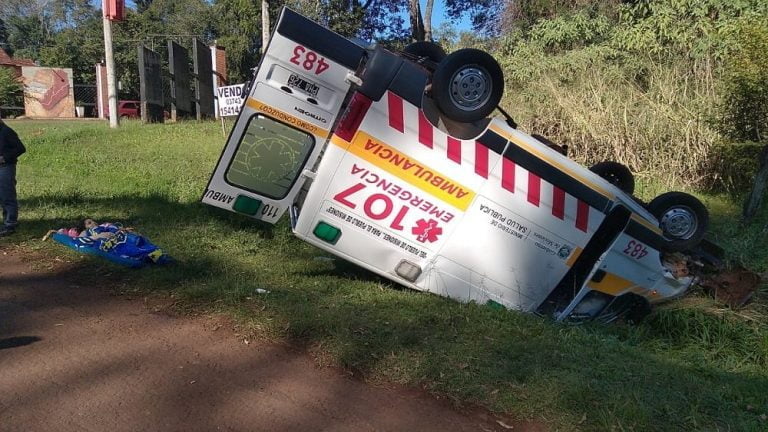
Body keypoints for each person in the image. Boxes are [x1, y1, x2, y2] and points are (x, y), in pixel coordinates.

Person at [0, 119, 25, 237]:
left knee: (7, 196)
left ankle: (10, 224)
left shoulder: (6, 131)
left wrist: (4, 158)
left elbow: (20, 148)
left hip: (5, 167)